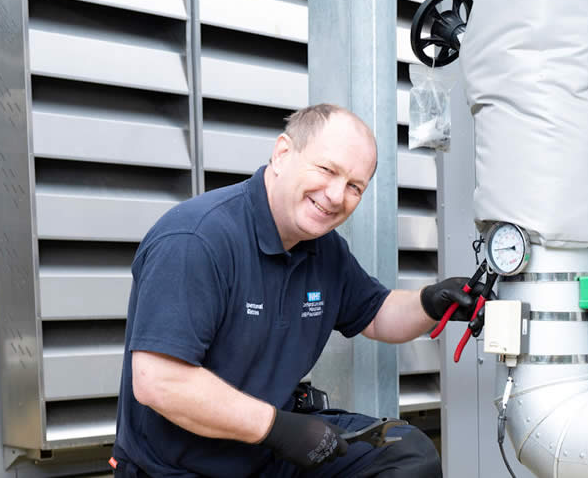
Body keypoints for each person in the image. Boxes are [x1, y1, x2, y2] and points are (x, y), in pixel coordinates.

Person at [110, 103, 476, 477]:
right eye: (326, 169)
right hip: (179, 468)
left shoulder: (323, 248)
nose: (336, 195)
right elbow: (159, 382)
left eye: (354, 186)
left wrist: (432, 302)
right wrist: (278, 428)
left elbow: (377, 314)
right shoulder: (197, 238)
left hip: (265, 452)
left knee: (407, 455)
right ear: (283, 153)